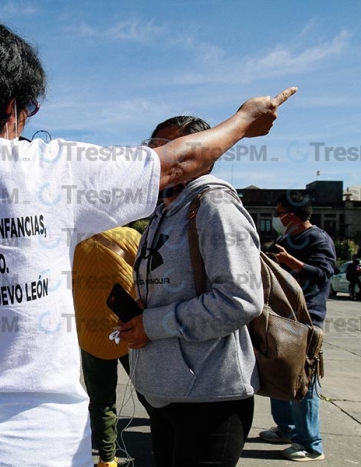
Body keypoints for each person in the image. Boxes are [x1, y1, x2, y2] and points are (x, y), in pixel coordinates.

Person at [0, 16, 295, 467]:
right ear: (13, 105)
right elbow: (177, 162)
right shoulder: (53, 170)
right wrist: (244, 120)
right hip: (41, 442)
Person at [118, 116, 264, 467]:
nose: (155, 156)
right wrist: (141, 309)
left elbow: (240, 300)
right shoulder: (161, 212)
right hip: (163, 391)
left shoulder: (215, 206)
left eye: (166, 148)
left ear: (202, 155)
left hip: (210, 398)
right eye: (152, 146)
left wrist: (152, 324)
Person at [258, 191, 335, 462]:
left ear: (292, 215)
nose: (276, 219)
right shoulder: (284, 238)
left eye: (279, 214)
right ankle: (286, 429)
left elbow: (324, 274)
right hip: (282, 317)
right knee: (279, 373)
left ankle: (311, 444)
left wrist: (290, 261)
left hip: (307, 319)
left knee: (303, 380)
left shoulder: (318, 238)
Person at [73, 226, 141, 467]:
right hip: (134, 329)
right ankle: (169, 441)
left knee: (101, 400)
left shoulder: (74, 246)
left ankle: (107, 459)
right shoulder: (130, 237)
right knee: (150, 391)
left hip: (91, 334)